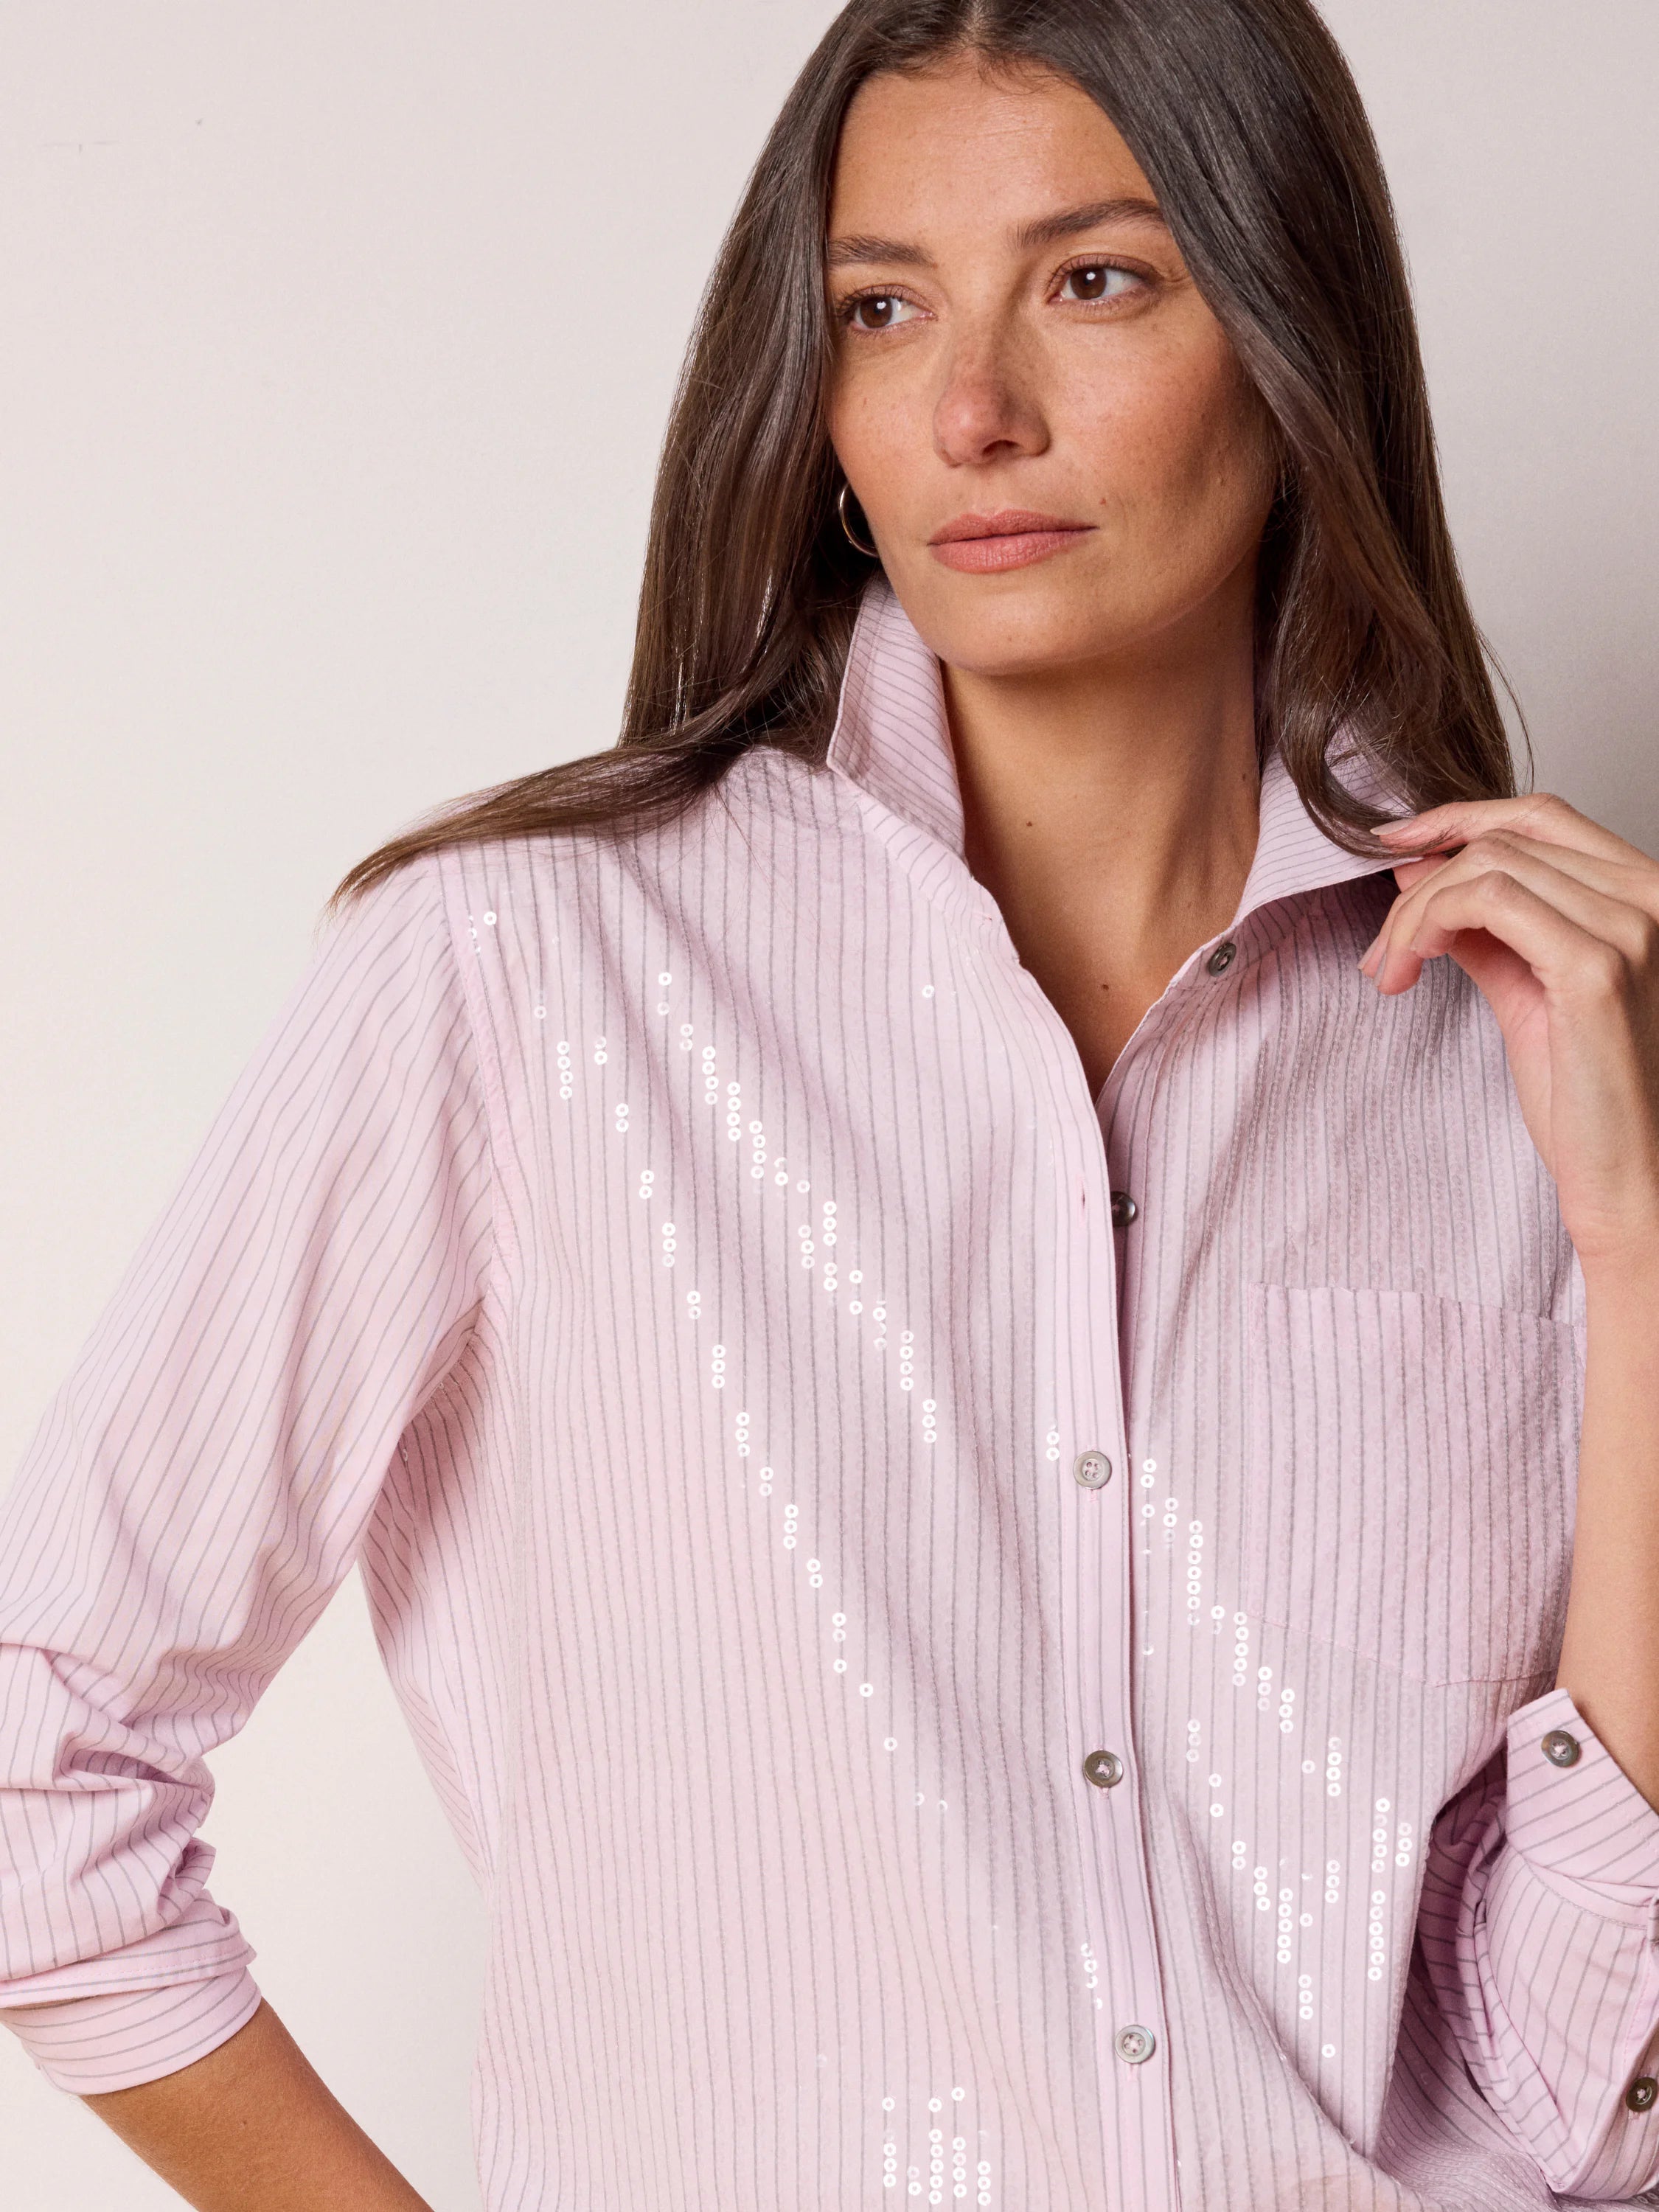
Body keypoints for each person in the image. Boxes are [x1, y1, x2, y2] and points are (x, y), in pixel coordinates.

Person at [3, 0, 1658, 2205]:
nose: (972, 410)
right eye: (883, 308)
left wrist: (1644, 1252)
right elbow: (41, 1764)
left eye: (1095, 280)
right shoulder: (520, 971)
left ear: (1295, 344)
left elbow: (1585, 2099)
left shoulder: (1529, 1045)